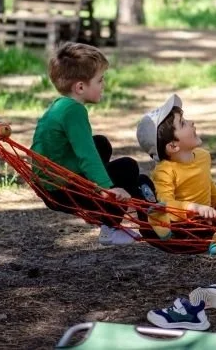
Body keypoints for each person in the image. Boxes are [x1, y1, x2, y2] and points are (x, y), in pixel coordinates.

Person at [31, 42, 155, 246]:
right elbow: (86, 154)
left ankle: (109, 207)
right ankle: (111, 227)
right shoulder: (75, 112)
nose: (103, 85)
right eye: (100, 80)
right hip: (62, 190)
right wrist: (107, 189)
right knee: (128, 167)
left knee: (101, 143)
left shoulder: (60, 105)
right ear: (80, 87)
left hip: (49, 182)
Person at [136, 94, 216, 253]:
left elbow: (207, 182)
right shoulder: (165, 170)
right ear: (173, 146)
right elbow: (167, 205)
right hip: (184, 229)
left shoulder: (203, 156)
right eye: (183, 123)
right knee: (155, 209)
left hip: (207, 222)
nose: (192, 122)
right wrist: (195, 208)